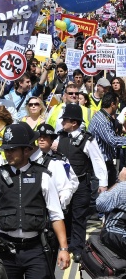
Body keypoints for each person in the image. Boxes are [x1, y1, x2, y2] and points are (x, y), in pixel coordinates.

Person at [0, 123, 71, 277]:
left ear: (27, 150)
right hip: (5, 251)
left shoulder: (43, 176)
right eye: (6, 150)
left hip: (36, 250)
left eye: (12, 150)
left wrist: (64, 248)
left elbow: (56, 214)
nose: (8, 153)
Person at [58, 103, 108, 262]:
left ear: (74, 123)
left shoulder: (87, 139)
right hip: (64, 185)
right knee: (64, 215)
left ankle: (77, 248)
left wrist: (103, 183)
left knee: (78, 217)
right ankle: (65, 244)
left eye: (65, 120)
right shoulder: (60, 137)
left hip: (80, 184)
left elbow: (98, 161)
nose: (62, 122)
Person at [89, 91, 126, 189]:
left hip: (107, 163)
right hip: (101, 164)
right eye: (117, 103)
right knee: (101, 197)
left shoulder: (106, 118)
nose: (118, 106)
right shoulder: (102, 120)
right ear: (112, 104)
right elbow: (112, 140)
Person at [96, 167, 126, 258]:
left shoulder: (124, 187)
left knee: (107, 231)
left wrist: (120, 182)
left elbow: (101, 204)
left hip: (119, 234)